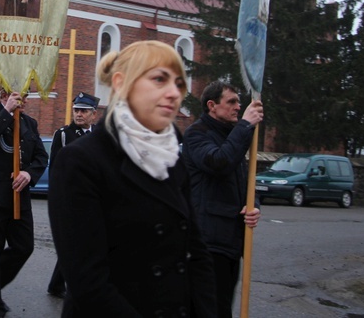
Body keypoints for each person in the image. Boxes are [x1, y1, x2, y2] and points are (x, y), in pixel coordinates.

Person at [48, 40, 217, 317]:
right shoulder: (81, 161)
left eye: (178, 83)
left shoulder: (171, 156)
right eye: (159, 80)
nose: (174, 93)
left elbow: (197, 253)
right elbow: (87, 281)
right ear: (120, 83)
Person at [182, 80, 264, 318]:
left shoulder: (231, 137)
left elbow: (244, 182)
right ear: (212, 105)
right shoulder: (197, 134)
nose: (238, 107)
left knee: (221, 308)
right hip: (207, 242)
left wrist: (253, 205)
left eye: (239, 102)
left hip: (230, 241)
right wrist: (246, 125)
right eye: (231, 102)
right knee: (207, 310)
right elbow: (219, 163)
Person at [0, 88, 49, 318]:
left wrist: (29, 174)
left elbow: (40, 157)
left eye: (25, 97)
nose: (22, 101)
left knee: (24, 246)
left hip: (19, 196)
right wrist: (6, 112)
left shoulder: (30, 123)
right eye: (17, 96)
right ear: (4, 96)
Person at [46, 92, 99, 299]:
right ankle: (67, 285)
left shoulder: (97, 135)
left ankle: (57, 283)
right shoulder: (64, 134)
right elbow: (56, 169)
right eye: (76, 110)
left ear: (93, 114)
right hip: (70, 198)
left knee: (82, 243)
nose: (79, 114)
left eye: (84, 111)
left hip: (92, 198)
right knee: (73, 243)